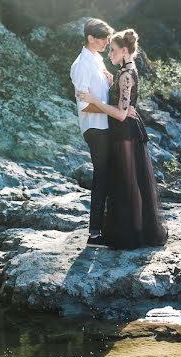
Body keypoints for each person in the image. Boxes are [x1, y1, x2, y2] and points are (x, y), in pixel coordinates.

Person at [77, 29, 167, 250]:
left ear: (125, 50)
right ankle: (129, 229)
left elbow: (120, 113)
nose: (109, 53)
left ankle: (134, 233)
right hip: (121, 132)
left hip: (126, 132)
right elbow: (122, 102)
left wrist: (93, 100)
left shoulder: (126, 75)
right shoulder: (123, 72)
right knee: (124, 182)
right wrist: (110, 81)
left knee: (129, 183)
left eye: (113, 50)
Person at [70, 18, 115, 248]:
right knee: (102, 177)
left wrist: (110, 82)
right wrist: (114, 110)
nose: (107, 42)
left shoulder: (98, 60)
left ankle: (106, 228)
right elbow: (84, 105)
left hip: (106, 125)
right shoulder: (81, 65)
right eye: (103, 38)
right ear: (90, 38)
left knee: (108, 176)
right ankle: (95, 234)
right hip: (95, 128)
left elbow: (99, 95)